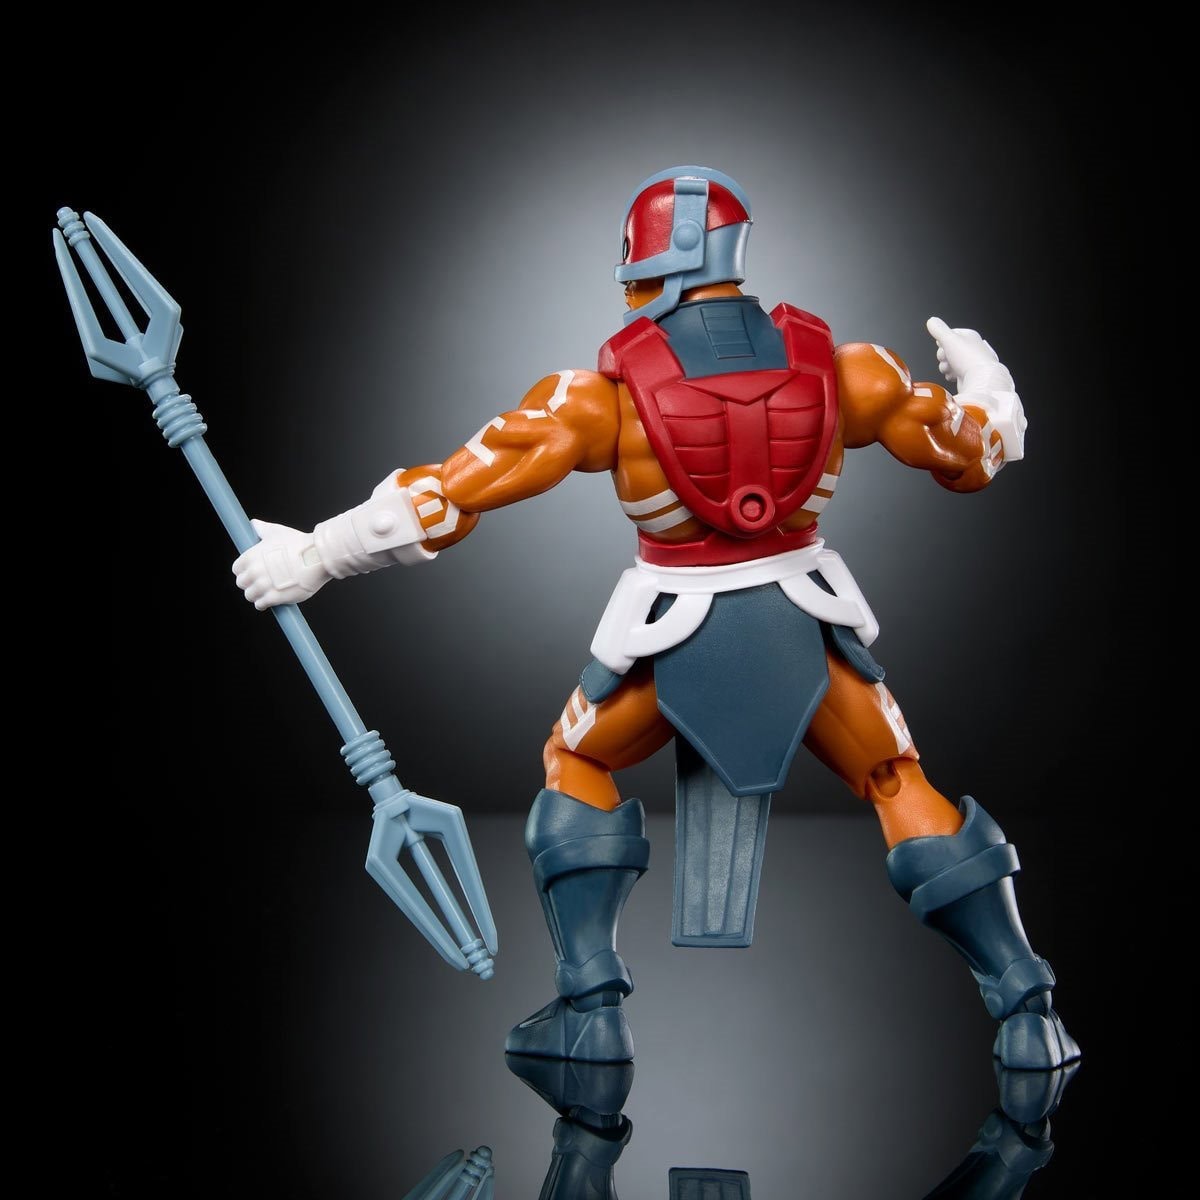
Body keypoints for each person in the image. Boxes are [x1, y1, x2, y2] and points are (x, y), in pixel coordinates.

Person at [233, 166, 1077, 1071]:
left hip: (672, 635)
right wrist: (983, 373)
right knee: (894, 776)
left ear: (648, 263)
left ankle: (590, 1012)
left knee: (577, 760)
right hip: (805, 626)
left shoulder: (597, 398)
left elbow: (449, 494)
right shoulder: (849, 371)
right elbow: (980, 448)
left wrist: (316, 554)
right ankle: (1028, 1009)